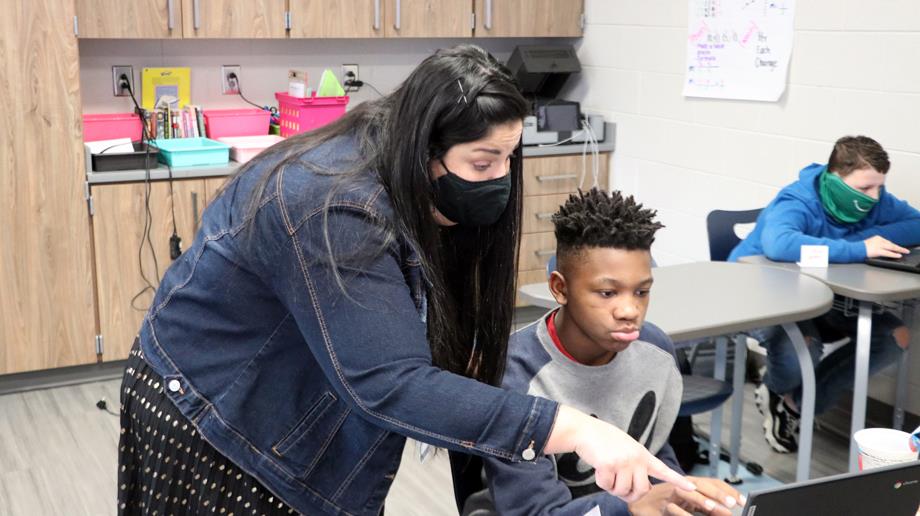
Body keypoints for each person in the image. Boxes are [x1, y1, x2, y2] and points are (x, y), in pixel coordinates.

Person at [116, 45, 692, 515]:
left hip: (293, 387)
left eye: (507, 159)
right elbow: (386, 381)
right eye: (482, 162)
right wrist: (572, 428)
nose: (498, 180)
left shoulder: (400, 160)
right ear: (426, 148)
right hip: (208, 407)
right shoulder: (329, 205)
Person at [462, 189, 743, 516]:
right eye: (608, 292)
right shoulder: (514, 374)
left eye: (642, 291)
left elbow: (655, 450)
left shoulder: (657, 351)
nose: (629, 310)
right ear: (560, 288)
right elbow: (534, 512)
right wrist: (634, 507)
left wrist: (682, 493)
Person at [728, 135, 920, 453]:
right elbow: (779, 245)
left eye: (879, 188)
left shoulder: (876, 198)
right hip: (761, 293)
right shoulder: (798, 198)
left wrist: (864, 239)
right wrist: (859, 249)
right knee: (803, 345)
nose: (874, 198)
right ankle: (776, 387)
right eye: (864, 189)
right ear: (835, 178)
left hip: (823, 295)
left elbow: (917, 224)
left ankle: (793, 406)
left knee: (894, 337)